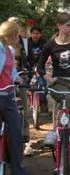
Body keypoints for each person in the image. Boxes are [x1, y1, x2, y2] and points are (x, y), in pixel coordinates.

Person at [37, 12, 70, 174]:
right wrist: (47, 77)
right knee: (67, 98)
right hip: (58, 83)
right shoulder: (50, 45)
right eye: (68, 26)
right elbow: (39, 67)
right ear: (59, 26)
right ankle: (55, 132)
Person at [0, 21, 27, 175]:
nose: (18, 38)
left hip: (9, 96)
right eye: (17, 35)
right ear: (10, 35)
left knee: (16, 132)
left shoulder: (9, 50)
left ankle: (17, 169)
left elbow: (11, 71)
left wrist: (17, 79)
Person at [7, 16, 34, 157]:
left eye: (17, 25)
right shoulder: (3, 44)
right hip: (5, 82)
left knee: (23, 110)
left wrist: (27, 76)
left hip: (21, 79)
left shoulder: (25, 42)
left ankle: (26, 143)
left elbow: (30, 61)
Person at [28, 26, 48, 113]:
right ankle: (30, 101)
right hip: (30, 66)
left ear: (40, 34)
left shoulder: (44, 43)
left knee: (43, 84)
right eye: (33, 33)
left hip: (41, 66)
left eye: (37, 33)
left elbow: (47, 54)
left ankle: (43, 102)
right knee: (27, 84)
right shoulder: (27, 42)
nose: (35, 35)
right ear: (31, 34)